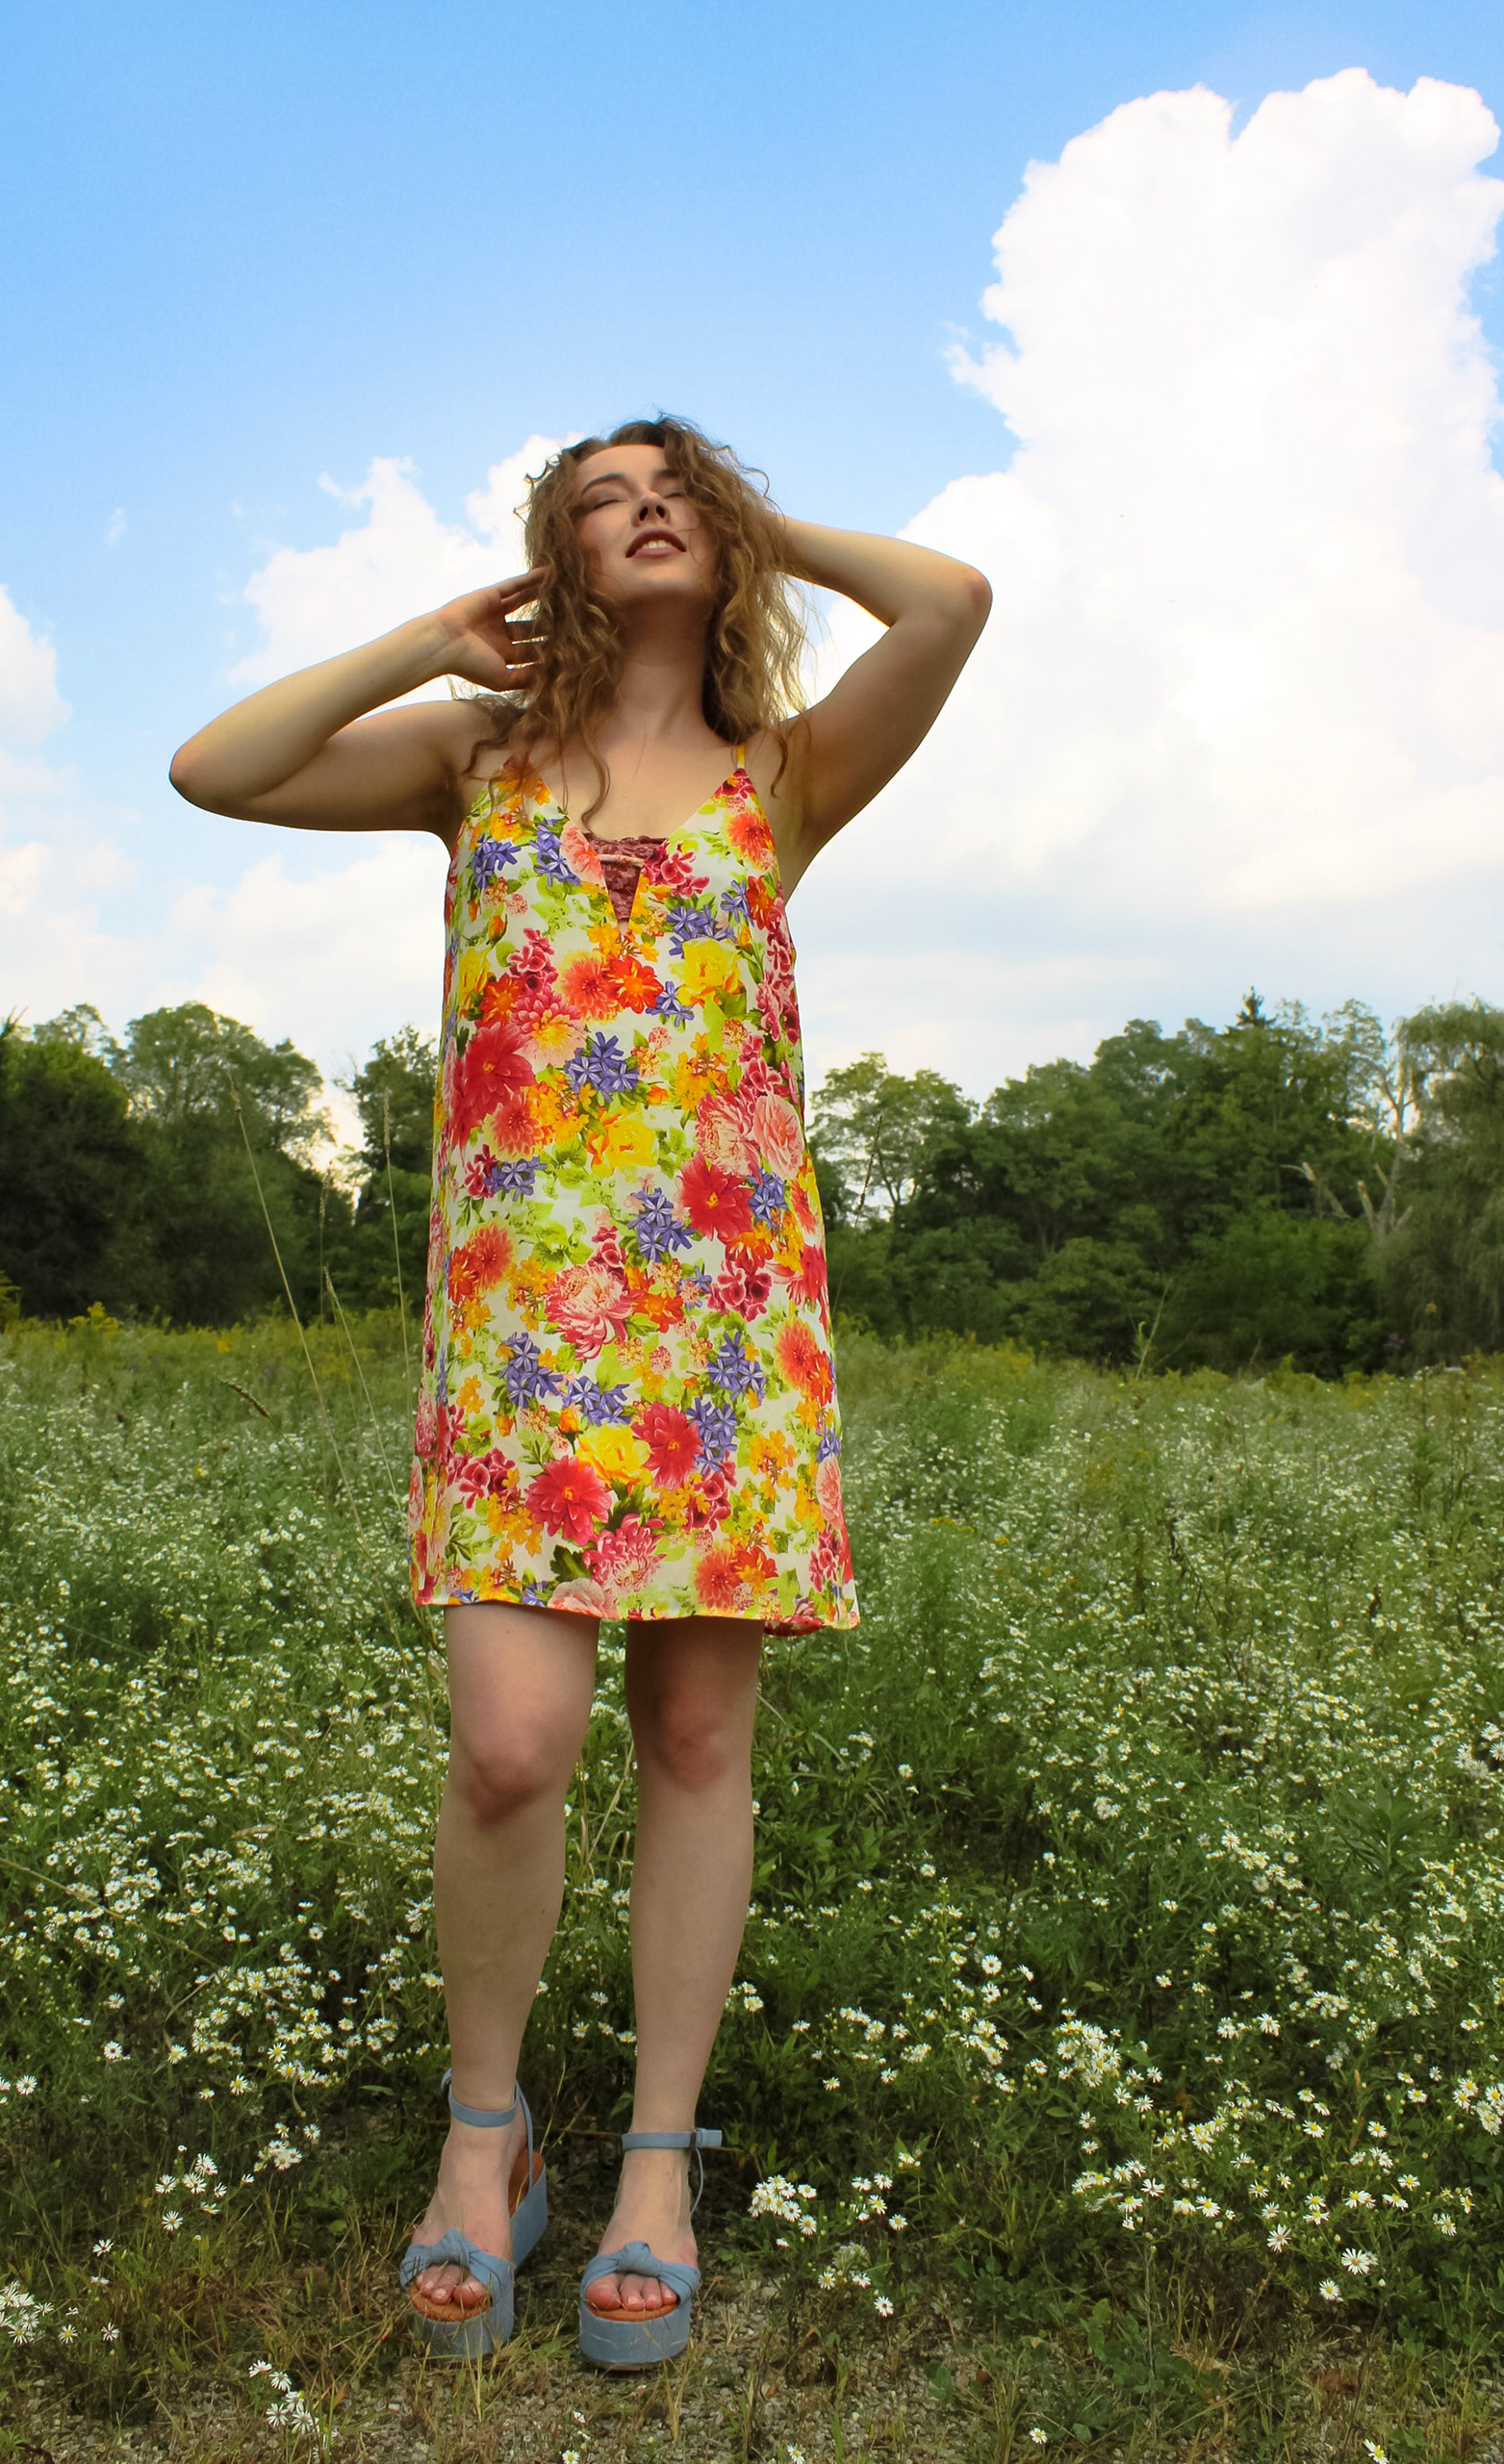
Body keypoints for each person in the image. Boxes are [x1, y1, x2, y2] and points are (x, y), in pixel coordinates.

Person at [170, 417, 989, 2366]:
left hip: (722, 1338)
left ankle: (656, 2168)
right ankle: (489, 2139)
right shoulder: (478, 766)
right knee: (513, 1747)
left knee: (698, 1743)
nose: (648, 510)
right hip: (525, 1338)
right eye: (606, 494)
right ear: (554, 551)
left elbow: (952, 600)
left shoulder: (784, 779)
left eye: (676, 488)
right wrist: (425, 643)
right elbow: (217, 769)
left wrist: (755, 516)